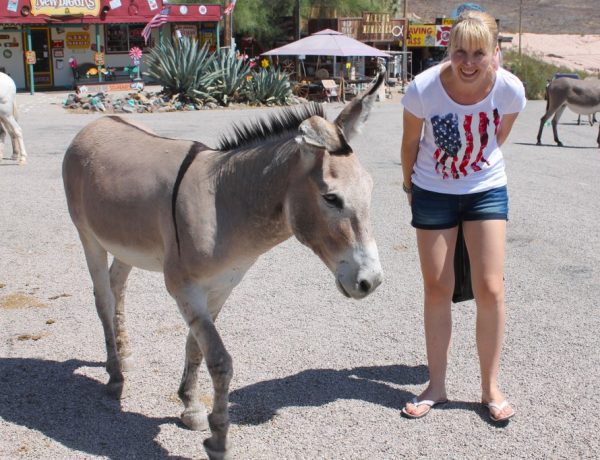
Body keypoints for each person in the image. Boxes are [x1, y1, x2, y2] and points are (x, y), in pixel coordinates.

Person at [399, 11, 526, 423]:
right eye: (459, 53)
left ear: (494, 54)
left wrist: (474, 165)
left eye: (478, 54)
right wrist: (409, 186)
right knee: (438, 287)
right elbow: (410, 144)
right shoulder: (423, 89)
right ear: (448, 51)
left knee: (490, 287)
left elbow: (498, 136)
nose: (468, 63)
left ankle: (490, 387)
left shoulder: (509, 90)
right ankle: (436, 384)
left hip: (486, 189)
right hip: (433, 191)